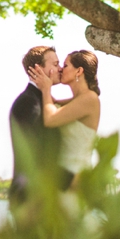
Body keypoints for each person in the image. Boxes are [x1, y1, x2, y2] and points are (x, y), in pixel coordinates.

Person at [8, 46, 74, 206]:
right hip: (31, 198)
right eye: (55, 64)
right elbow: (38, 152)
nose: (60, 69)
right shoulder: (28, 103)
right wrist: (73, 181)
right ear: (38, 68)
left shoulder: (42, 100)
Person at [27, 50, 101, 187]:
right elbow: (51, 103)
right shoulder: (75, 101)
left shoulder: (90, 99)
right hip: (62, 178)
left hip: (77, 180)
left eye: (65, 66)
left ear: (78, 71)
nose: (60, 69)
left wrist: (46, 89)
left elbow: (50, 119)